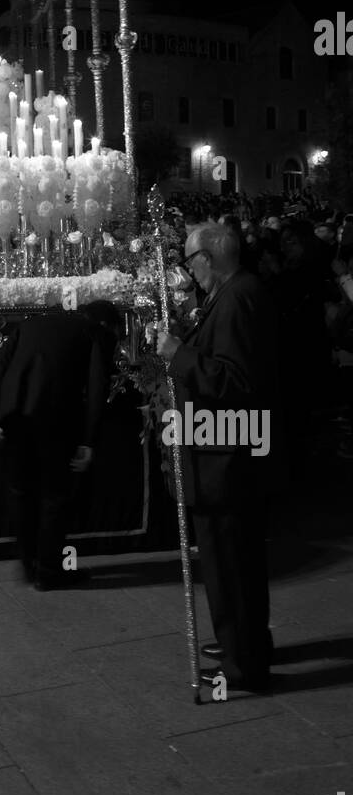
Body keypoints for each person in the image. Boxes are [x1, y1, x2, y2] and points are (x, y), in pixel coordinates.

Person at [154, 222, 280, 693]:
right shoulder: (234, 293)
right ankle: (245, 644)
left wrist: (179, 355)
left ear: (210, 256)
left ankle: (243, 663)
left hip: (227, 458)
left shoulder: (237, 299)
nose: (189, 274)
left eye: (191, 263)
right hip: (228, 452)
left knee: (230, 564)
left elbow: (235, 383)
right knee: (239, 562)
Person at [0, 300, 122, 589]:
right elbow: (97, 388)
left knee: (21, 492)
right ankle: (48, 572)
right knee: (53, 498)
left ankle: (29, 564)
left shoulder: (31, 323)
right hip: (54, 420)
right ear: (106, 324)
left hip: (14, 417)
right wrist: (88, 441)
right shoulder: (96, 333)